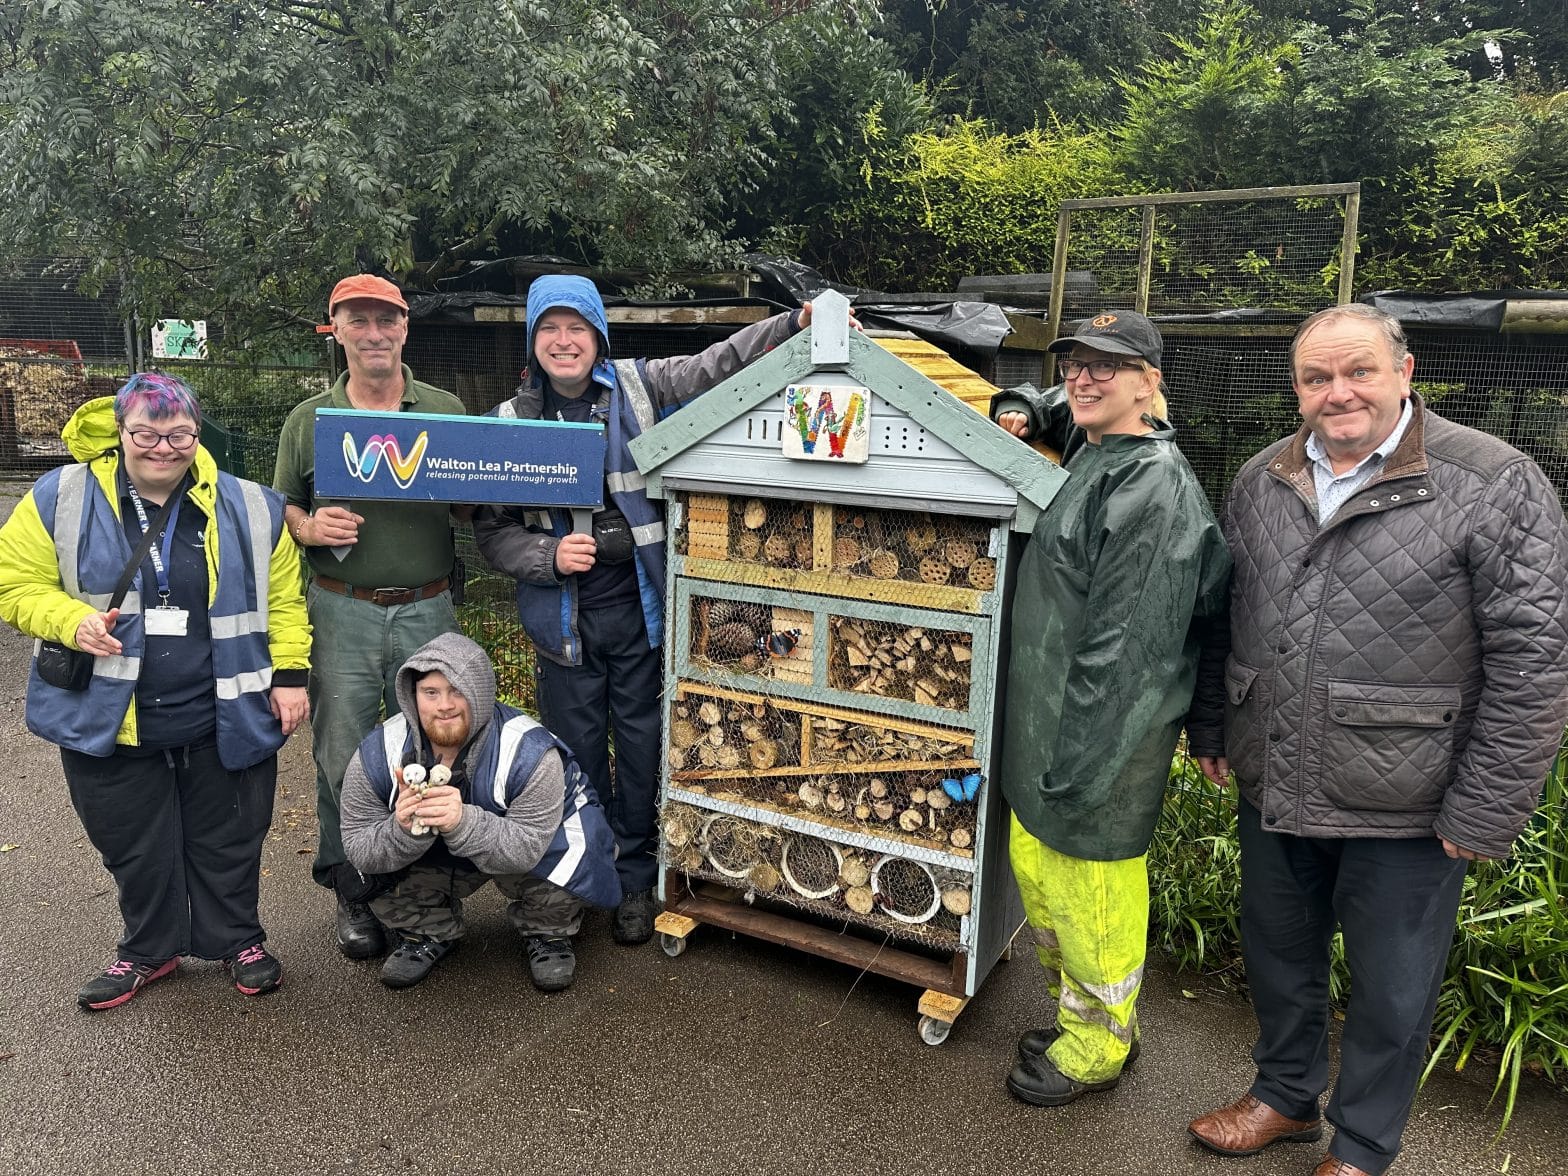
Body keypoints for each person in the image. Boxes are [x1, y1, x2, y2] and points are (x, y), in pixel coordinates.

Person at [1184, 304, 1568, 1176]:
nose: (1338, 392)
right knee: (1279, 954)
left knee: (1394, 990)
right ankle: (1283, 1098)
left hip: (1411, 800)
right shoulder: (1261, 479)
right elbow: (1224, 621)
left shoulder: (1493, 482)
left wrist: (1485, 808)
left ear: (1405, 369)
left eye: (1357, 370)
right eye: (1317, 378)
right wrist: (1212, 722)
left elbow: (1536, 660)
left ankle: (1361, 1147)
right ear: (1297, 388)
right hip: (1277, 778)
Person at [473, 274, 818, 946]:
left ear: (598, 336)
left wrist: (789, 327)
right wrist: (546, 556)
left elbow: (713, 365)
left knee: (640, 752)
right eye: (550, 329)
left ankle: (634, 881)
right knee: (573, 761)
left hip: (639, 612)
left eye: (577, 328)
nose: (563, 341)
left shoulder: (637, 385)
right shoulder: (506, 424)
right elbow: (491, 531)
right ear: (533, 341)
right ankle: (583, 877)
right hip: (563, 627)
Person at [0, 374, 311, 1009]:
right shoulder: (59, 496)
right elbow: (16, 584)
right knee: (131, 841)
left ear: (198, 434)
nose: (163, 447)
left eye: (179, 434)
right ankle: (148, 950)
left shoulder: (251, 505)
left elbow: (284, 601)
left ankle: (238, 940)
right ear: (121, 431)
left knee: (229, 834)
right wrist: (71, 621)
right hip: (111, 713)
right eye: (145, 432)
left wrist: (291, 677)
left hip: (223, 705)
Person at [988, 310, 1231, 1106]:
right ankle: (1077, 1018)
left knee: (1091, 899)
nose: (1085, 378)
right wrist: (1019, 404)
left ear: (1149, 380)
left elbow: (1127, 652)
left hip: (1096, 747)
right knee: (1044, 885)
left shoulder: (1152, 488)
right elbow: (1056, 404)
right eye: (1075, 363)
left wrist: (1082, 764)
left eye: (1107, 365)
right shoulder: (1098, 440)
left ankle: (1100, 1043)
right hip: (1047, 733)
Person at [273, 274, 468, 961]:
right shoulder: (309, 420)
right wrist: (306, 526)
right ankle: (354, 890)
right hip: (342, 611)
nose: (375, 332)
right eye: (359, 320)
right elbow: (283, 507)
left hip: (429, 606)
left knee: (433, 745)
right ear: (338, 330)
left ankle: (422, 884)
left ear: (405, 327)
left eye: (386, 320)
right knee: (344, 755)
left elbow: (472, 501)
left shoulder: (443, 407)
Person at [338, 632, 620, 990]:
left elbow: (527, 846)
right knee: (368, 875)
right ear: (413, 696)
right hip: (437, 849)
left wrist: (462, 821)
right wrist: (403, 829)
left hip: (532, 843)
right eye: (431, 693)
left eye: (457, 691)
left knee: (570, 863)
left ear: (480, 693)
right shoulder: (378, 751)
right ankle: (426, 932)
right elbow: (358, 844)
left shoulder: (531, 752)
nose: (444, 705)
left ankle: (548, 932)